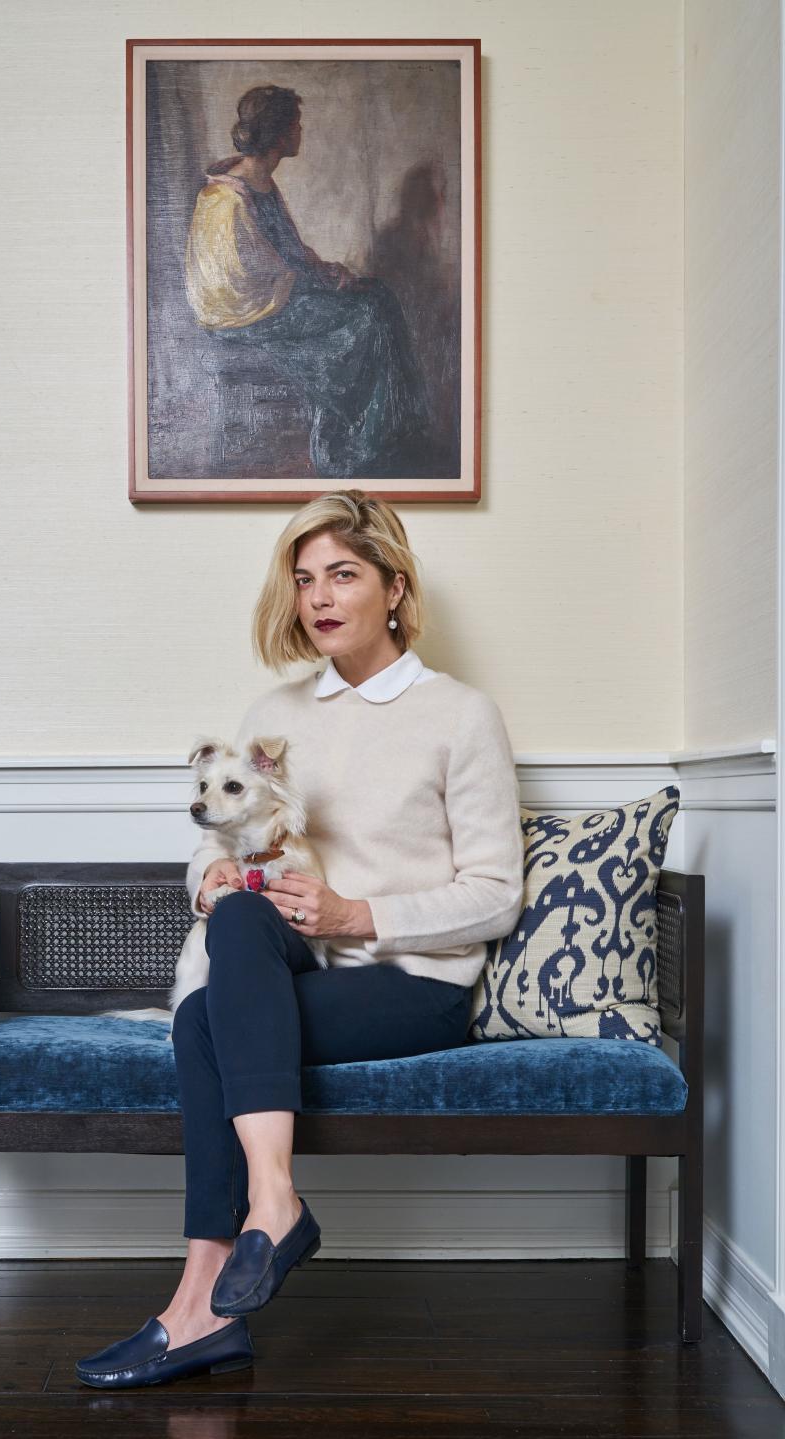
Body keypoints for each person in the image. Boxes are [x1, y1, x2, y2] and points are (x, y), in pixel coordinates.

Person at [75, 489, 525, 1388]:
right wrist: (204, 878)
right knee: (238, 914)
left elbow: (498, 895)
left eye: (344, 575)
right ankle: (271, 1205)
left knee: (201, 1022)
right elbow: (220, 832)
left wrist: (358, 914)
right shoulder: (277, 711)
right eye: (305, 578)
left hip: (412, 982)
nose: (320, 596)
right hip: (289, 962)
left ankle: (200, 1304)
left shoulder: (460, 714)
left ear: (394, 588)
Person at [184, 85, 440, 479]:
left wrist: (326, 271)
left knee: (380, 295)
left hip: (283, 294)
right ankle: (362, 443)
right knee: (365, 317)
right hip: (250, 314)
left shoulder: (264, 184)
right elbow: (237, 281)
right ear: (280, 134)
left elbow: (289, 251)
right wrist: (314, 282)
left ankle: (396, 427)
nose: (301, 132)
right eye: (296, 125)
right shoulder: (224, 199)